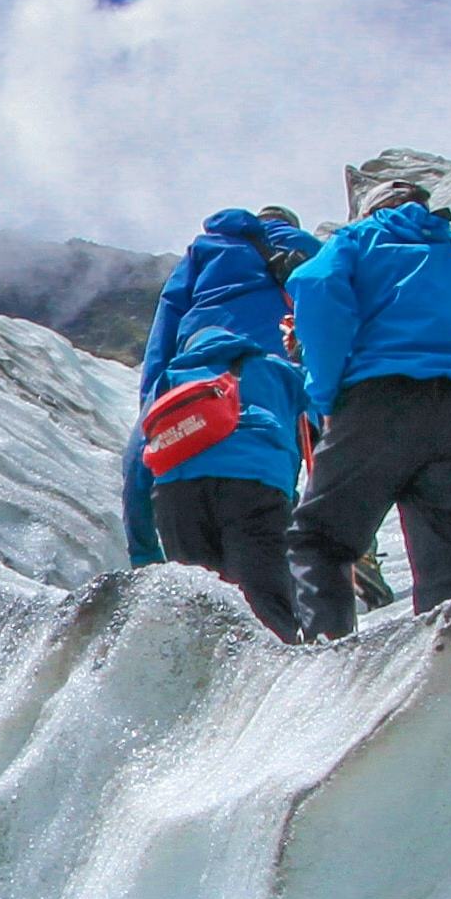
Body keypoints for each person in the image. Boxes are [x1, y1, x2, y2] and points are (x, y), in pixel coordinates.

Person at [283, 167, 451, 637]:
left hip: (377, 400)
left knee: (320, 541)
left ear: (371, 212)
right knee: (450, 563)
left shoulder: (355, 242)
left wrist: (325, 391)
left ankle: (327, 664)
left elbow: (316, 288)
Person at [134, 206, 318, 634]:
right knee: (265, 604)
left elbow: (166, 322)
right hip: (268, 427)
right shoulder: (306, 249)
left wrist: (142, 549)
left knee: (199, 617)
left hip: (186, 426)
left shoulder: (205, 249)